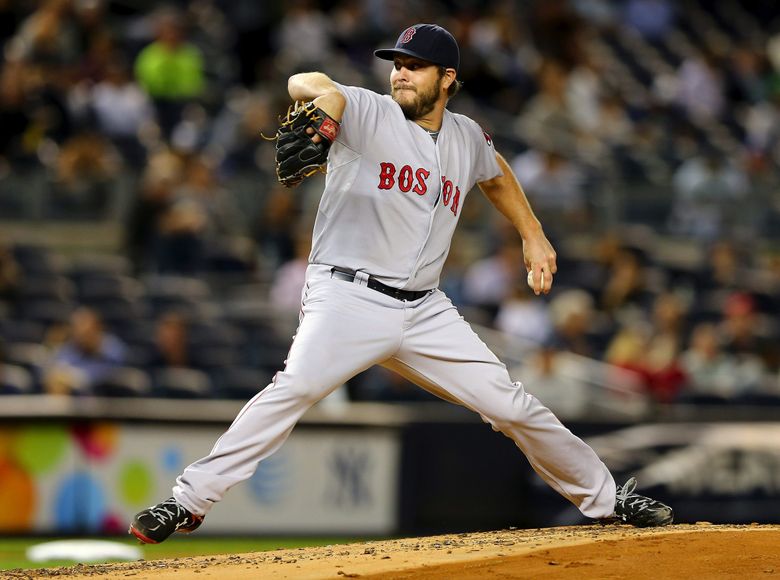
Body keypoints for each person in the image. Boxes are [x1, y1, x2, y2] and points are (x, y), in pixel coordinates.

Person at [130, 23, 673, 544]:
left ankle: (606, 499)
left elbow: (496, 171)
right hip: (347, 296)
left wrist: (533, 232)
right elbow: (308, 82)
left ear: (448, 80)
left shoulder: (465, 137)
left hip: (426, 311)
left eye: (416, 67)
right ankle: (187, 500)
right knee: (293, 388)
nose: (401, 74)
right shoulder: (366, 110)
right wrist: (327, 105)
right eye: (397, 65)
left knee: (512, 406)